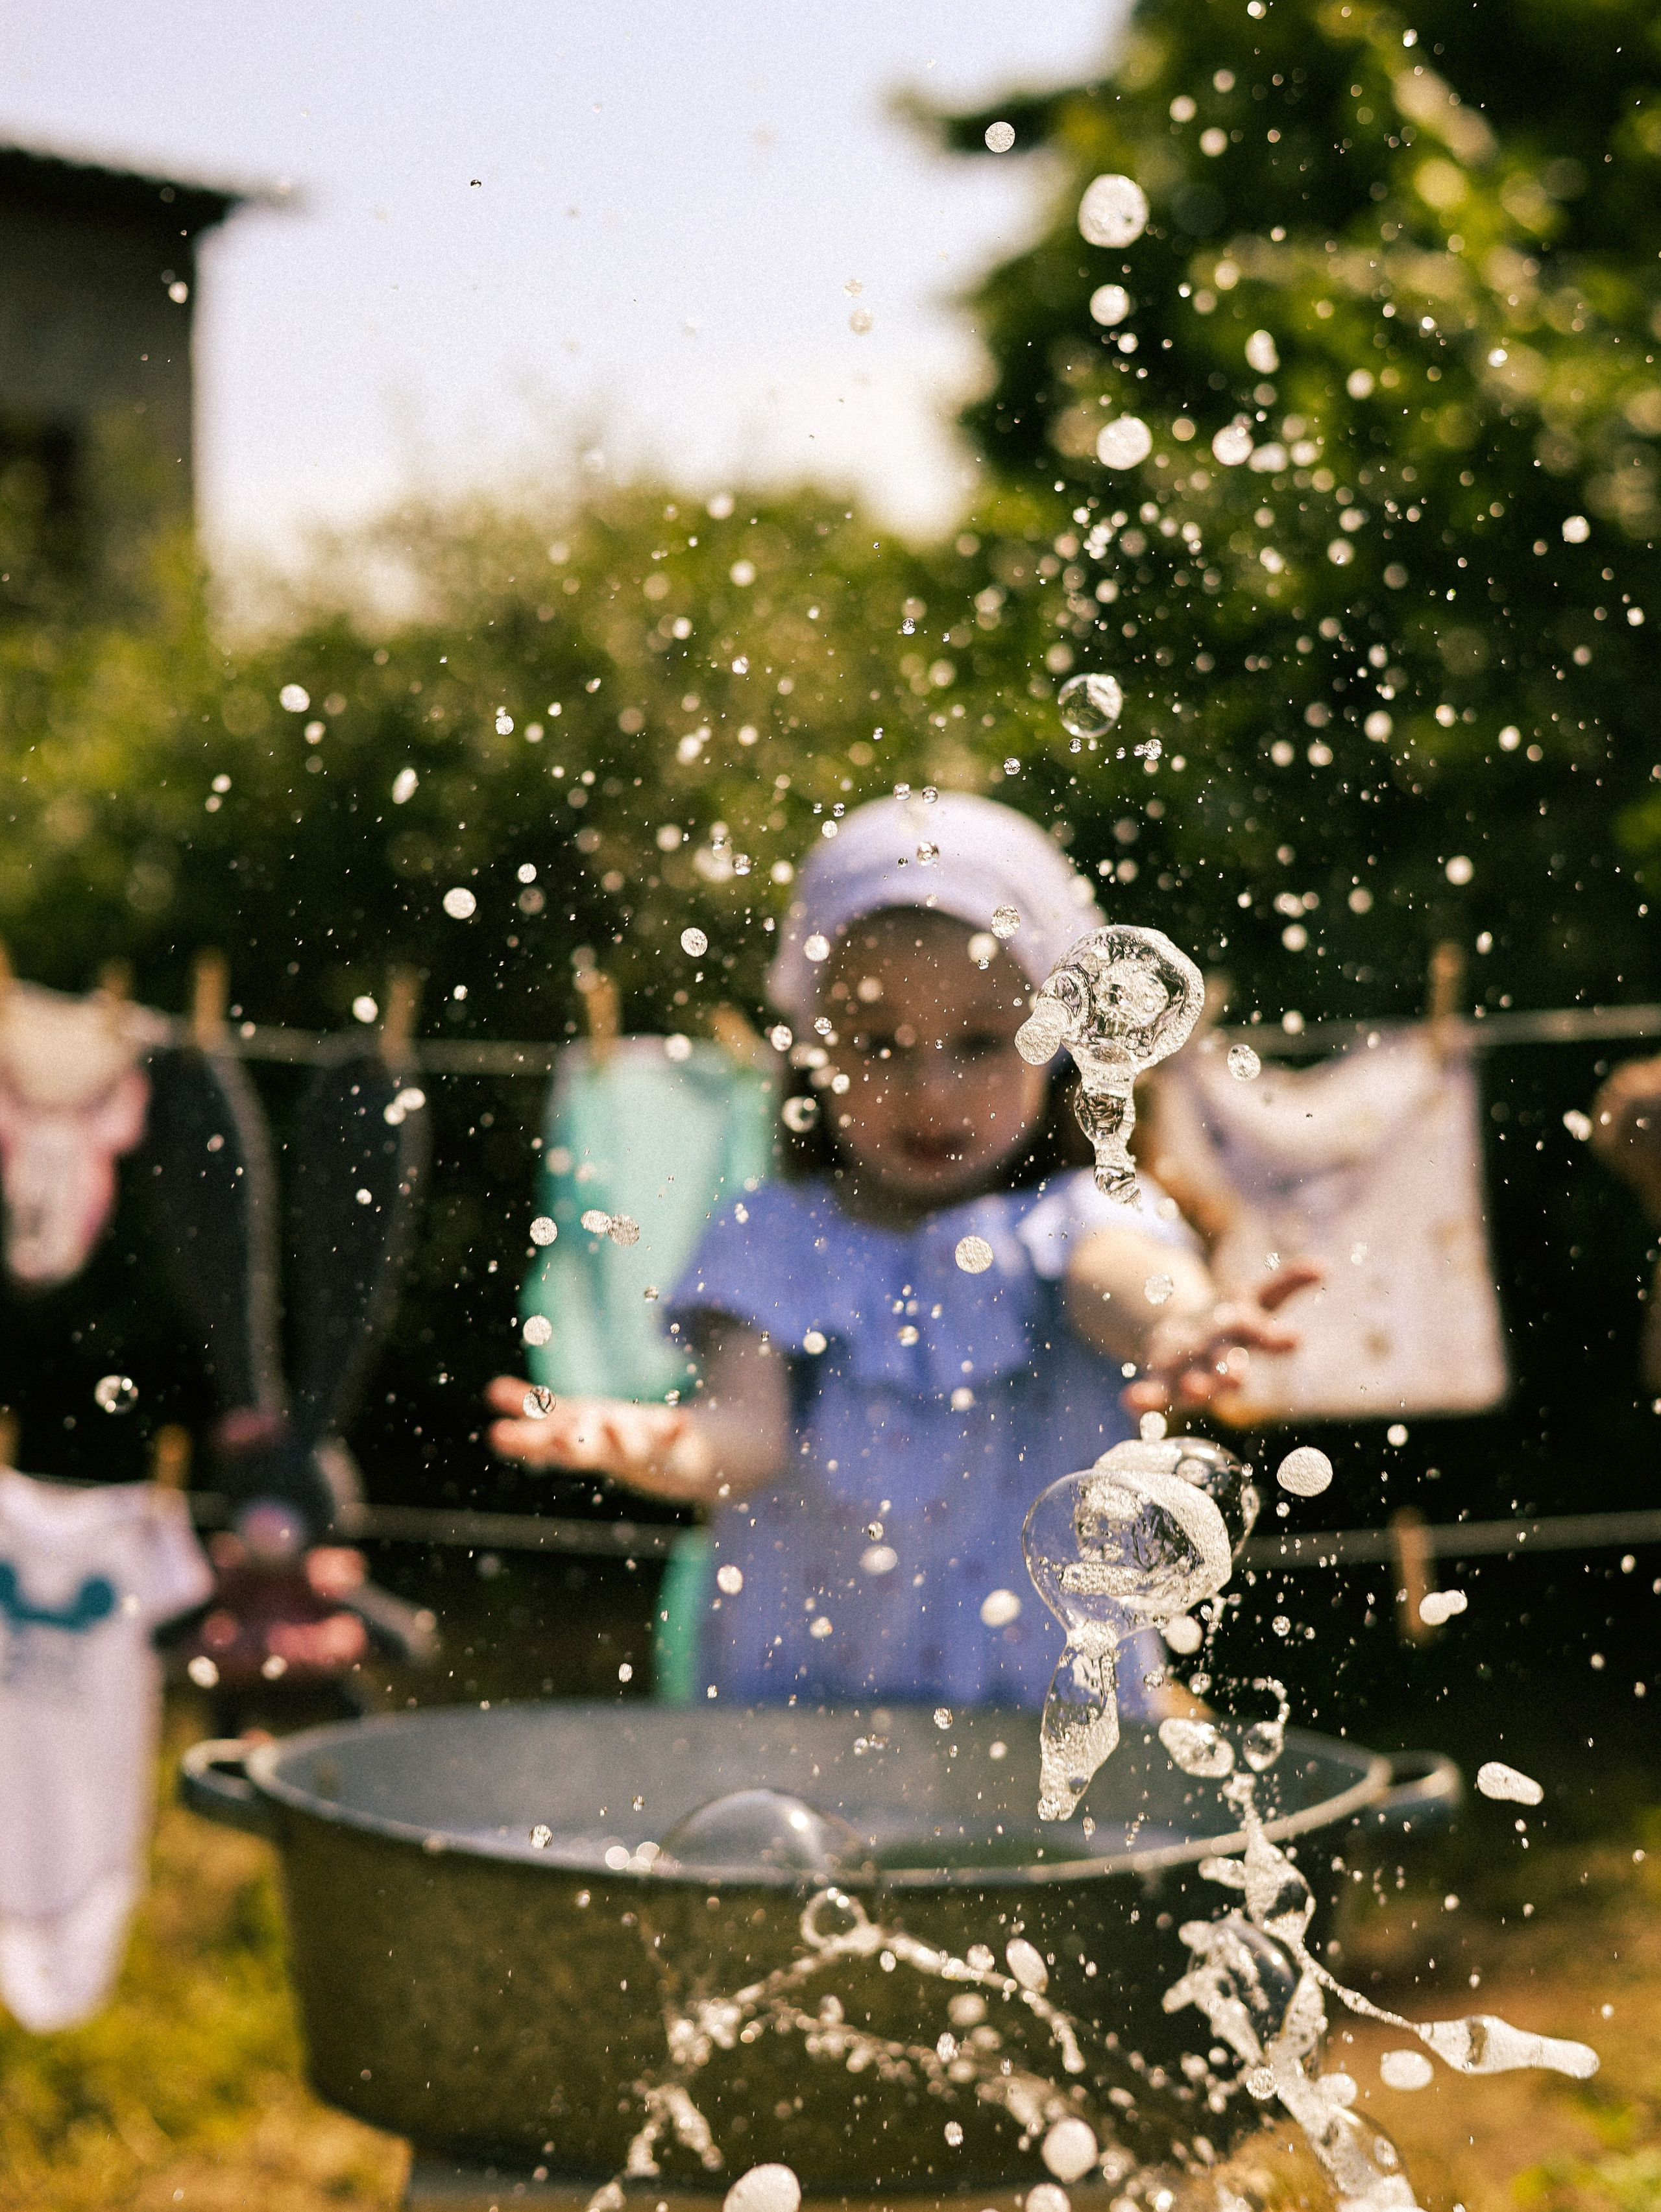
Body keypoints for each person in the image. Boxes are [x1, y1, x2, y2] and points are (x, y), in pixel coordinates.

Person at [488, 793, 1315, 1711]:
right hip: (802, 1713)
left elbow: (1124, 1280)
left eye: (979, 1041)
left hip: (1042, 1718)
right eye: (879, 1044)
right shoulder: (773, 1237)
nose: (931, 1088)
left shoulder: (1081, 1218)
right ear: (814, 1045)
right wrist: (661, 1441)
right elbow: (744, 1437)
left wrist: (1187, 1321)